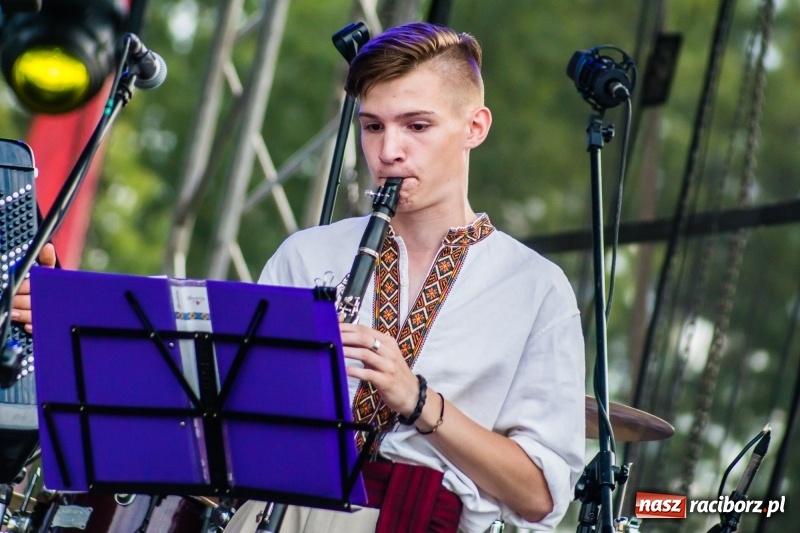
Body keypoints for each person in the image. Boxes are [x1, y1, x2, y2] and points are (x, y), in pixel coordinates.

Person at [225, 21, 585, 533]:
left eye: (416, 126)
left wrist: (417, 400)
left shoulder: (534, 287)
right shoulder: (305, 255)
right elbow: (230, 424)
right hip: (279, 510)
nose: (388, 150)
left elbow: (540, 496)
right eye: (373, 126)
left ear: (475, 128)